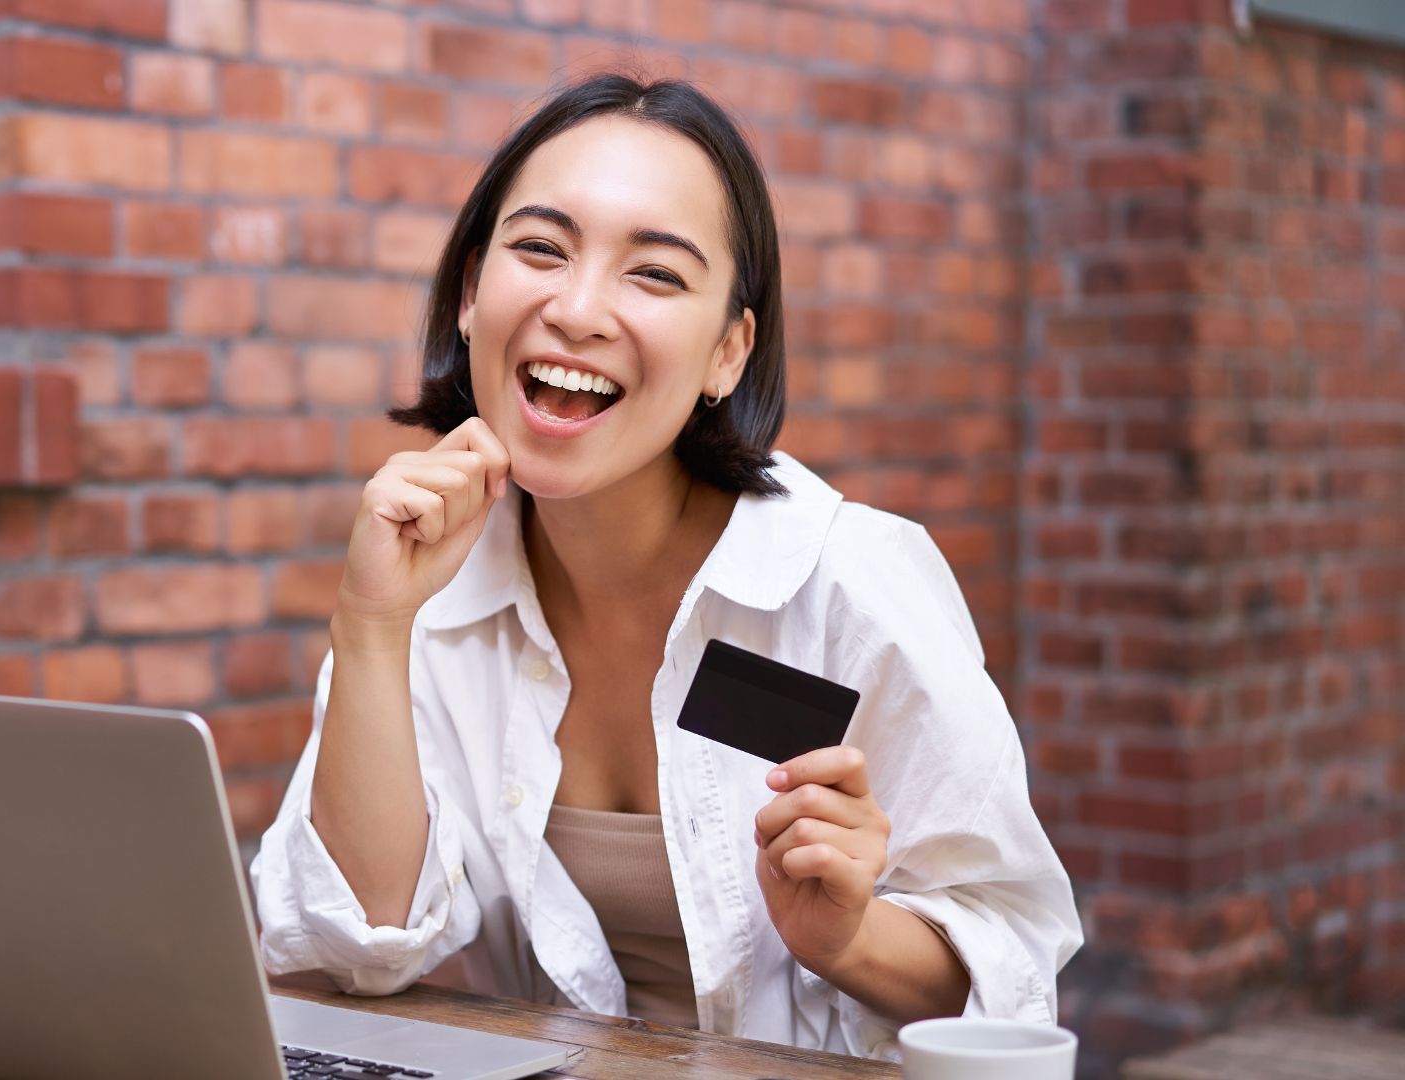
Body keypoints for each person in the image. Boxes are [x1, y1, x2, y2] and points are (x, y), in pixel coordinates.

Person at [249, 73, 1081, 1061]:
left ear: (730, 351)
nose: (579, 307)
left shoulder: (849, 580)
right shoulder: (429, 590)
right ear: (472, 294)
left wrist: (851, 936)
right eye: (541, 250)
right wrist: (372, 627)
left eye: (654, 274)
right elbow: (358, 950)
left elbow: (1016, 969)